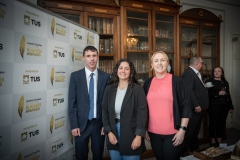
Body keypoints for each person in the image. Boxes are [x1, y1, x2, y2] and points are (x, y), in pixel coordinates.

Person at [143, 51, 191, 160]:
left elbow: (186, 107)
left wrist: (182, 130)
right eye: (156, 61)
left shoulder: (177, 81)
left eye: (162, 60)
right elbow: (143, 108)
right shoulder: (148, 83)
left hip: (173, 134)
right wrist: (144, 128)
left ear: (167, 63)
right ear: (152, 65)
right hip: (153, 133)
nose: (159, 63)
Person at [68, 45, 110, 160]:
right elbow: (72, 103)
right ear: (83, 58)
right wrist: (74, 125)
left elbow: (107, 103)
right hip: (81, 125)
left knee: (98, 156)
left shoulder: (106, 77)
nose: (92, 59)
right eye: (88, 56)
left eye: (94, 56)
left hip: (99, 124)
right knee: (81, 156)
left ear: (98, 57)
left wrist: (105, 124)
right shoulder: (75, 77)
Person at [102, 58, 148, 160]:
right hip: (113, 132)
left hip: (131, 133)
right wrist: (108, 132)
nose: (123, 71)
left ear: (130, 71)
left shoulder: (137, 89)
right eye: (121, 68)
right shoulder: (109, 88)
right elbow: (104, 111)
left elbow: (142, 113)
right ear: (116, 70)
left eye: (126, 69)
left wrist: (138, 136)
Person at [182, 56, 209, 155]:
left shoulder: (196, 73)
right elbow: (189, 91)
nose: (202, 65)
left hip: (201, 107)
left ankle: (194, 149)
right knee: (190, 130)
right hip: (195, 108)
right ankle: (184, 151)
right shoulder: (189, 73)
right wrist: (196, 105)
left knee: (195, 130)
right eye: (201, 63)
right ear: (197, 63)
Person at [205, 67, 234, 146]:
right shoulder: (209, 82)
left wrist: (231, 106)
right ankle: (213, 141)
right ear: (213, 73)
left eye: (219, 71)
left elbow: (228, 95)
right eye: (215, 71)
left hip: (224, 106)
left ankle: (219, 140)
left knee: (221, 123)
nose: (217, 72)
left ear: (222, 73)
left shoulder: (225, 82)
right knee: (213, 123)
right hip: (213, 106)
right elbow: (206, 94)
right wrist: (218, 94)